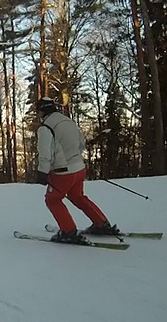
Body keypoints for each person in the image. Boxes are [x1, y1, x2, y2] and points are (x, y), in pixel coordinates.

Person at [35, 97, 119, 242]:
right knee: (77, 196)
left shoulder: (45, 127)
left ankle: (68, 231)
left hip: (63, 172)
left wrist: (42, 171)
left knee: (53, 200)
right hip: (79, 169)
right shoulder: (68, 121)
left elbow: (45, 153)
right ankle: (101, 224)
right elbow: (81, 144)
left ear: (42, 111)